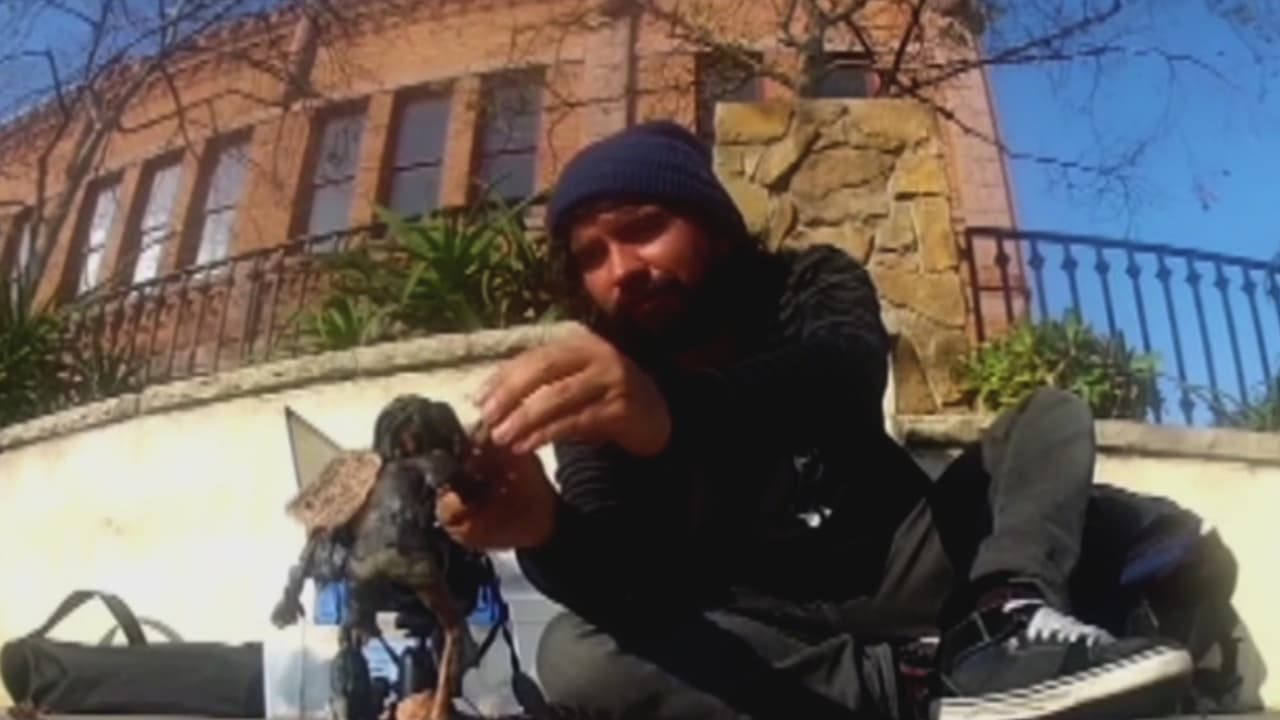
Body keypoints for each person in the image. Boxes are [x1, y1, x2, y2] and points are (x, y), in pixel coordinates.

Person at [435, 120, 1195, 720]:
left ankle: (1002, 630)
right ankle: (923, 687)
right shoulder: (597, 395)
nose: (622, 269)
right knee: (574, 655)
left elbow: (845, 375)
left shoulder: (805, 282)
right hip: (765, 620)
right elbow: (625, 588)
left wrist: (672, 414)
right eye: (592, 255)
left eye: (643, 227)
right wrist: (547, 533)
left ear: (715, 227)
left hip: (901, 559)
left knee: (1048, 417)